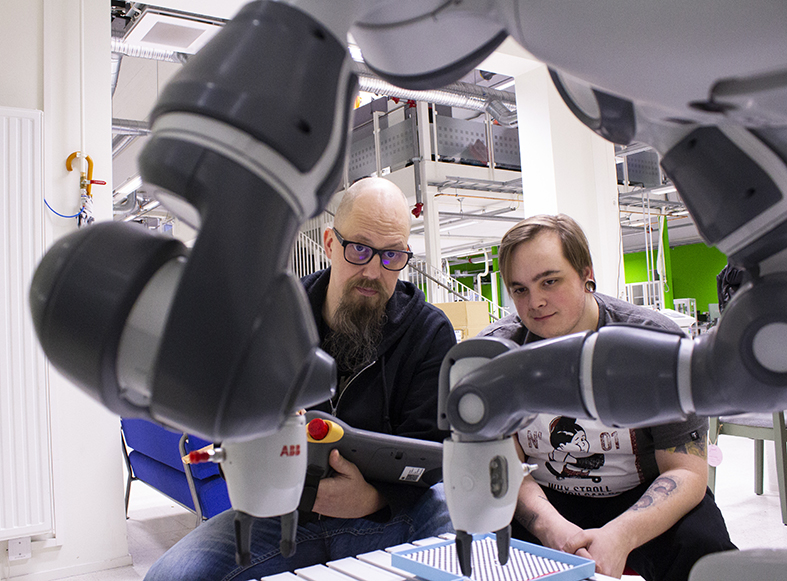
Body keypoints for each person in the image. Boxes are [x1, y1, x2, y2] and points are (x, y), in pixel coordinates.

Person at [145, 177, 457, 580]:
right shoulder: (274, 318)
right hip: (284, 514)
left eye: (392, 255)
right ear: (329, 244)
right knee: (170, 576)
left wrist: (372, 498)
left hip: (389, 515)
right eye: (359, 249)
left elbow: (431, 451)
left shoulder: (429, 333)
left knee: (455, 525)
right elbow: (229, 438)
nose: (373, 271)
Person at [479, 214, 736, 581]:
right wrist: (552, 529)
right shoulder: (497, 353)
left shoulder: (655, 343)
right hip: (546, 498)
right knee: (477, 544)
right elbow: (506, 469)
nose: (535, 302)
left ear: (586, 274)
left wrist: (621, 535)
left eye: (549, 281)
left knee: (704, 552)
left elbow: (687, 472)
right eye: (519, 290)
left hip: (641, 496)